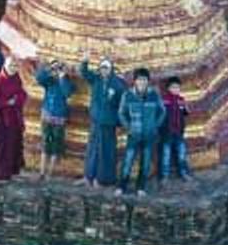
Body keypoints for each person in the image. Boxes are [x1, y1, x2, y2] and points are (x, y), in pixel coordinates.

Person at [117, 67, 165, 196]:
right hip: (134, 134)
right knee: (128, 161)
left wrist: (155, 126)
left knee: (146, 162)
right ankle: (122, 186)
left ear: (148, 81)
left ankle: (141, 187)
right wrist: (128, 127)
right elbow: (121, 113)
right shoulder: (127, 95)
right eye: (139, 80)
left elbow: (162, 111)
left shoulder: (154, 95)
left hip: (149, 134)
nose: (141, 82)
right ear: (135, 81)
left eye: (144, 80)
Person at [77, 56, 125, 188]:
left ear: (111, 69)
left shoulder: (118, 84)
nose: (104, 70)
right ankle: (88, 177)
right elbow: (84, 72)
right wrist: (85, 61)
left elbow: (123, 105)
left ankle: (101, 179)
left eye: (107, 68)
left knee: (106, 152)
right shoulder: (96, 79)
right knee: (92, 149)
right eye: (102, 67)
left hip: (109, 124)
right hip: (96, 121)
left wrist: (119, 122)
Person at [0, 57, 28, 190]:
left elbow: (22, 94)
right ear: (5, 64)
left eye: (15, 66)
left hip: (13, 119)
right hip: (1, 120)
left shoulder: (16, 78)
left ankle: (6, 174)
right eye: (10, 66)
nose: (12, 68)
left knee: (12, 147)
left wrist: (16, 100)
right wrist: (6, 103)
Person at [35, 59, 74, 181]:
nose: (57, 71)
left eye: (59, 68)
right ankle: (41, 173)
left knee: (56, 147)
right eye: (56, 69)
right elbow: (39, 78)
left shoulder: (68, 83)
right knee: (45, 144)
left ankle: (49, 174)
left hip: (59, 118)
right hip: (46, 116)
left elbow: (67, 93)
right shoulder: (49, 81)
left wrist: (62, 77)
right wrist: (48, 69)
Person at [159, 76, 192, 182]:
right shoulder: (164, 100)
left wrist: (186, 109)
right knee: (166, 155)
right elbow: (160, 114)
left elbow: (185, 113)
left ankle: (183, 173)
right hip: (167, 132)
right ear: (168, 88)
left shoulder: (181, 100)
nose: (175, 89)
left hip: (178, 132)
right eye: (173, 87)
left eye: (177, 87)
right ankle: (164, 175)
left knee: (181, 154)